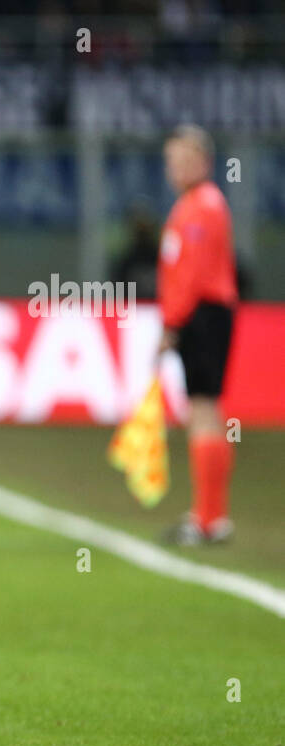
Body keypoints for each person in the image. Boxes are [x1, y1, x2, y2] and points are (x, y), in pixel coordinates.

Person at [157, 125, 238, 545]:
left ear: (205, 163)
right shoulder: (196, 204)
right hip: (206, 313)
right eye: (173, 160)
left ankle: (207, 517)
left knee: (203, 411)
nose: (176, 167)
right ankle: (212, 515)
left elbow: (190, 275)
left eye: (185, 159)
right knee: (207, 410)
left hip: (203, 315)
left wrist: (171, 323)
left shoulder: (201, 206)